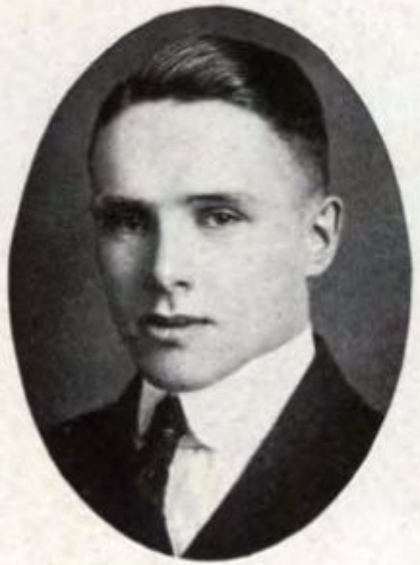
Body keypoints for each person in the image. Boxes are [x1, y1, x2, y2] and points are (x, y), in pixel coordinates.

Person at [44, 35, 382, 560]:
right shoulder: (41, 461)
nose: (164, 270)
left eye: (219, 217)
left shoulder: (393, 466)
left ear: (318, 239)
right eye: (127, 221)